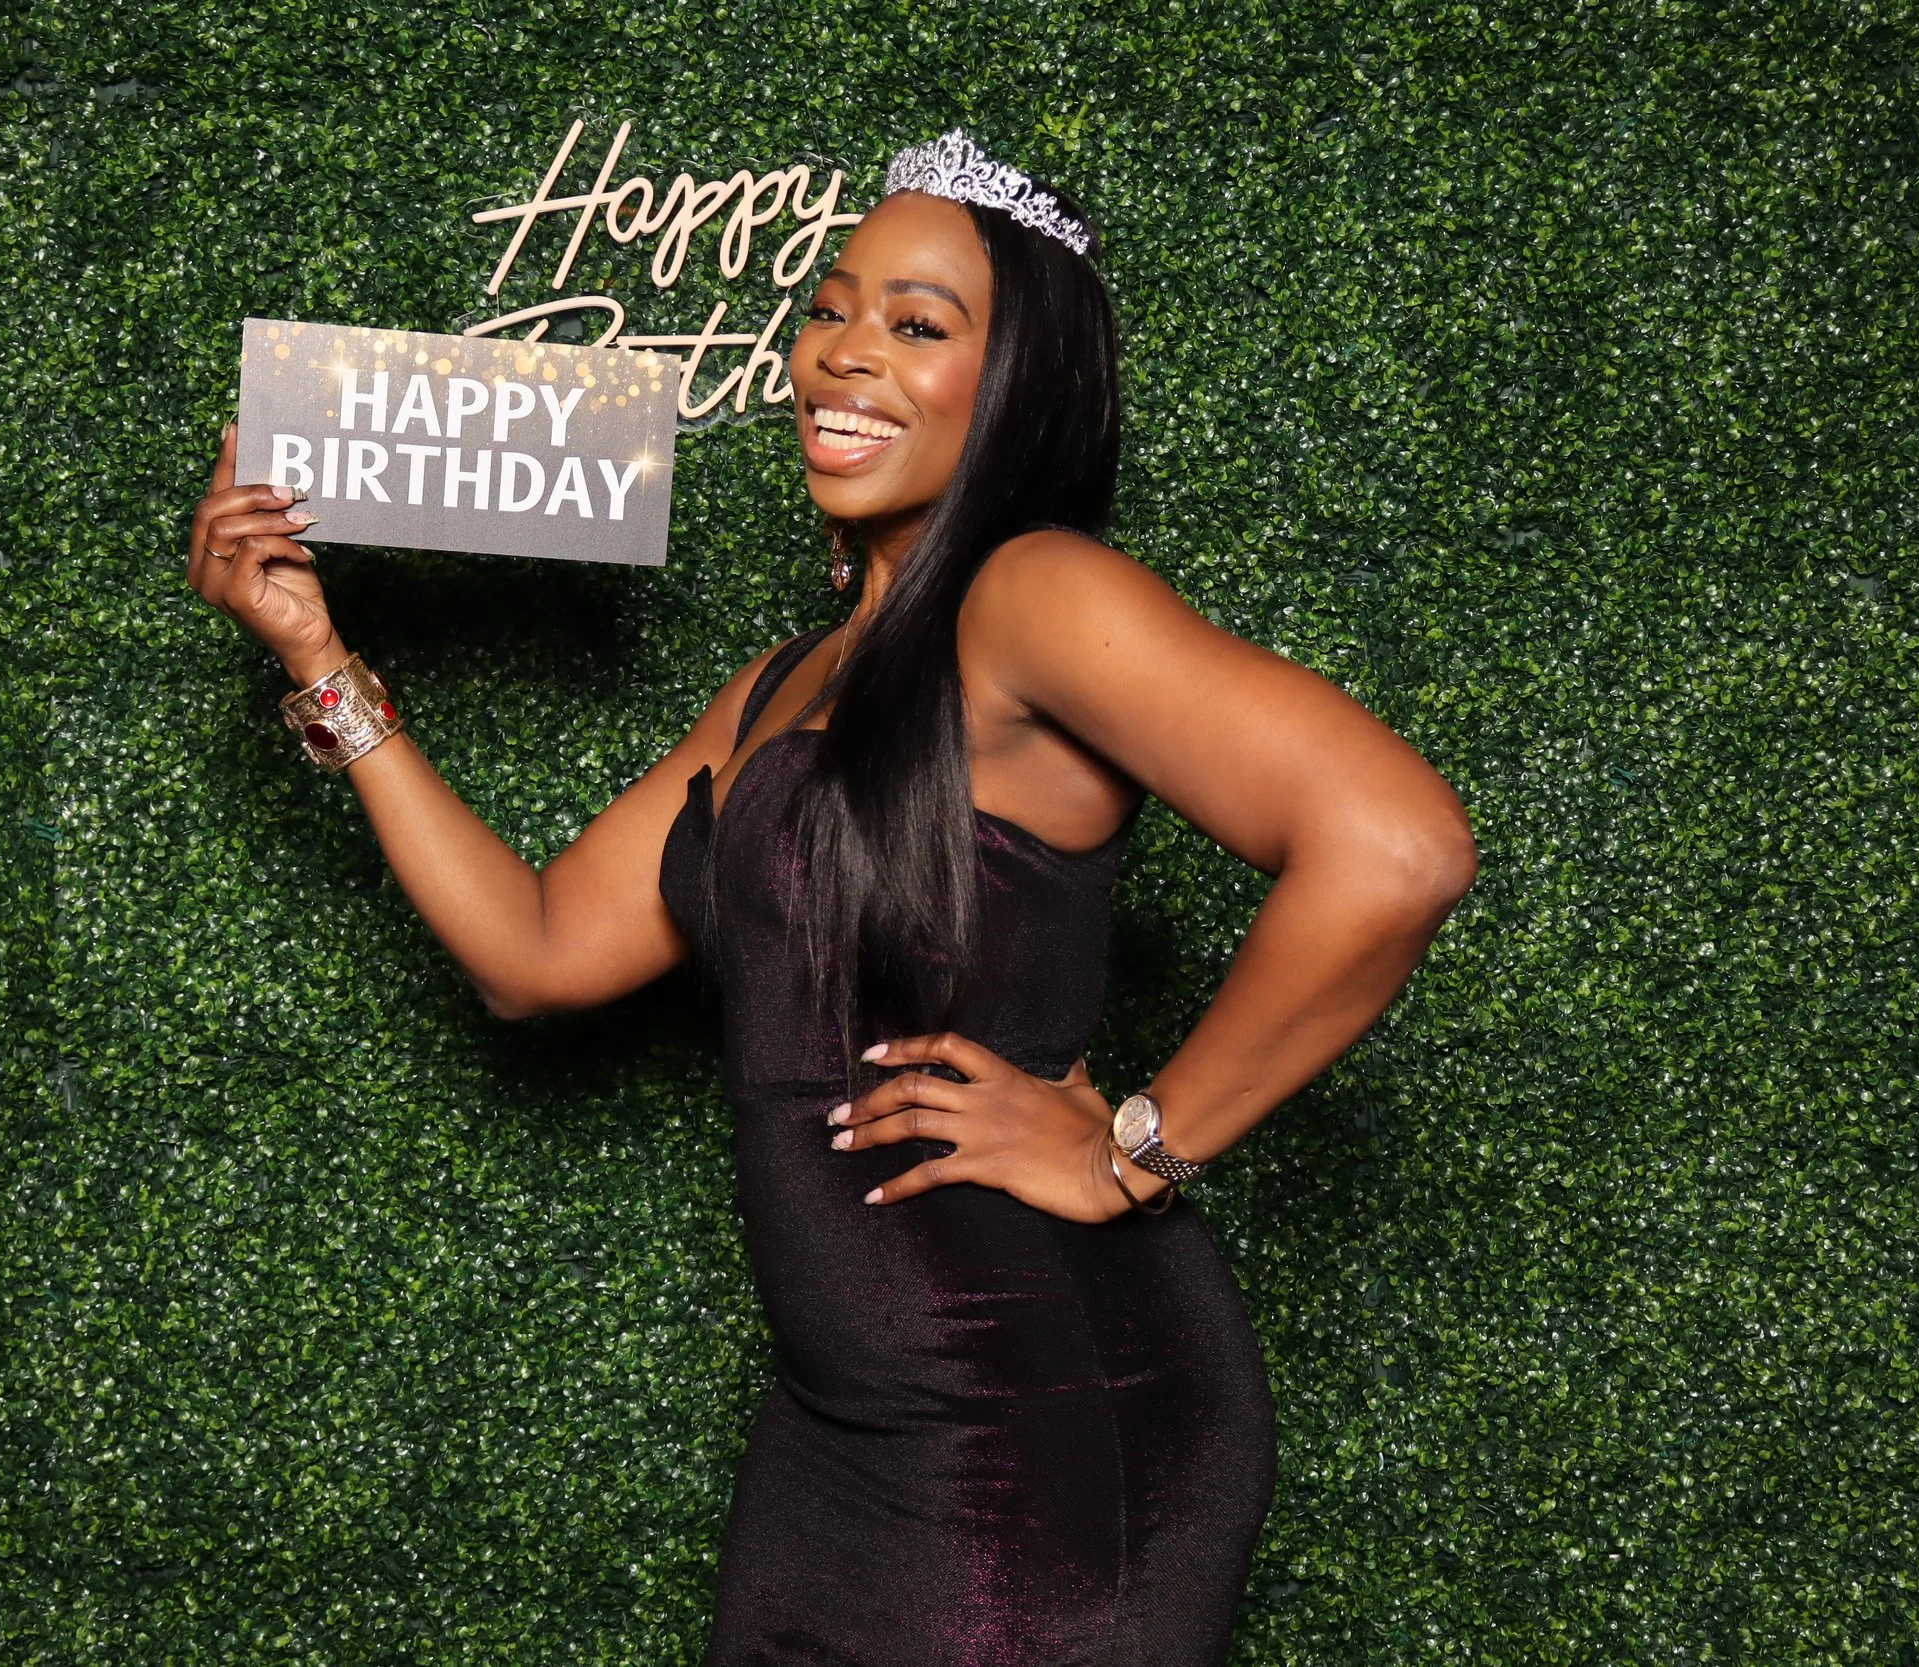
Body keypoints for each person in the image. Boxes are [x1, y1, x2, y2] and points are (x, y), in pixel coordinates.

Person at [187, 130, 1475, 1667]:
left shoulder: (1030, 593)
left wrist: (1133, 1148)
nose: (846, 353)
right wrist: (318, 659)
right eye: (833, 308)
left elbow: (1395, 847)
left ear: (1017, 383)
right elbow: (533, 954)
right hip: (839, 1436)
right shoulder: (781, 687)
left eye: (920, 325)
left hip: (1044, 1412)